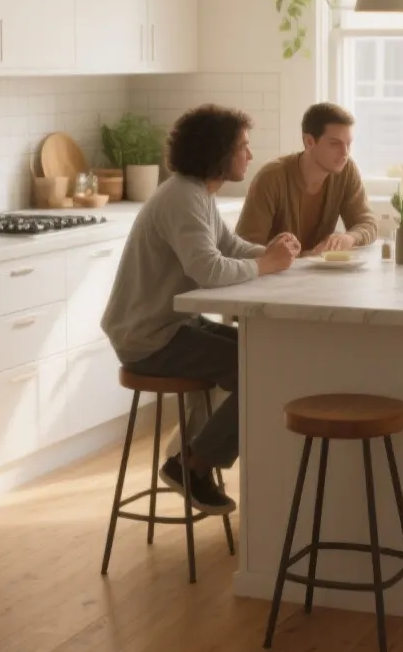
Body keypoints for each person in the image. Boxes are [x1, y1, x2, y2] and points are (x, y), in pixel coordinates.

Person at [101, 104, 300, 516]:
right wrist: (268, 264)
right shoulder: (183, 198)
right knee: (261, 368)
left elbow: (227, 248)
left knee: (265, 354)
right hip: (147, 339)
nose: (249, 154)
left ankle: (195, 457)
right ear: (218, 153)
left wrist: (272, 253)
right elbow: (208, 269)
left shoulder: (196, 193)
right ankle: (191, 464)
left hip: (168, 327)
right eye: (243, 147)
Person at [235, 102, 379, 253]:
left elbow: (367, 222)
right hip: (274, 274)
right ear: (309, 142)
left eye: (348, 144)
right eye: (335, 144)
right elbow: (244, 248)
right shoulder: (271, 178)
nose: (345, 153)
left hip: (317, 272)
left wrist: (349, 238)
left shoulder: (346, 170)